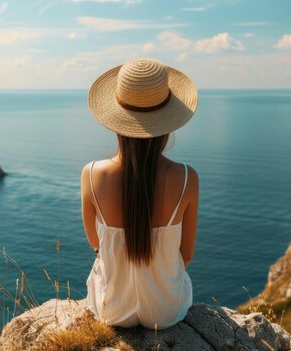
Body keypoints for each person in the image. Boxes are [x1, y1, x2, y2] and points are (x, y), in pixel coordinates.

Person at [80, 57, 199, 329]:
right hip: (167, 311)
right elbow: (186, 255)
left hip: (111, 310)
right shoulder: (186, 178)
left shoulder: (91, 173)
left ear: (116, 120)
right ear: (167, 124)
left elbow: (95, 243)